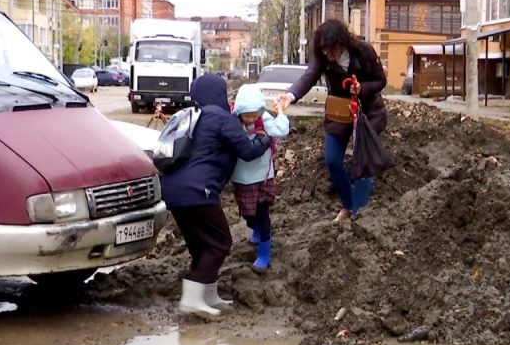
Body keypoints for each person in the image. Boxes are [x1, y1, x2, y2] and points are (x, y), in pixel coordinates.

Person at [161, 74, 272, 319]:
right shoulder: (221, 118)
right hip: (200, 192)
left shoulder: (190, 116)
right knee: (220, 242)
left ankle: (207, 296)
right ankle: (191, 300)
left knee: (201, 248)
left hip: (172, 192)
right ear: (220, 95)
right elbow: (247, 150)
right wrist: (267, 137)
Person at [278, 19, 387, 222]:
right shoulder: (323, 57)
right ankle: (348, 205)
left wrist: (362, 88)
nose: (327, 54)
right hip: (339, 113)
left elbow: (381, 80)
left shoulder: (364, 52)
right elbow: (309, 76)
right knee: (332, 160)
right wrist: (291, 95)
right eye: (324, 50)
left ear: (342, 42)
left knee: (363, 163)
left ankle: (356, 213)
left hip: (368, 114)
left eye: (331, 49)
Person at [230, 84, 290, 272]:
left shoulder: (263, 119)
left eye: (254, 114)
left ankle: (264, 252)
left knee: (263, 214)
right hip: (241, 177)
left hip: (263, 176)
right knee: (248, 214)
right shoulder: (231, 122)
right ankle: (254, 227)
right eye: (247, 115)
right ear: (239, 111)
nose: (251, 119)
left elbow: (281, 130)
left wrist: (280, 111)